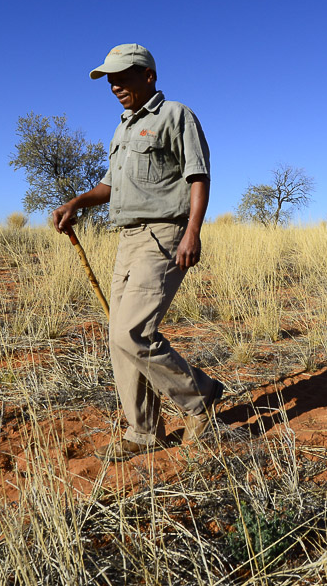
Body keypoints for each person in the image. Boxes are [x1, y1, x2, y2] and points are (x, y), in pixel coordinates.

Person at [53, 43, 224, 460]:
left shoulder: (175, 116)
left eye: (122, 76)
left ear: (148, 75)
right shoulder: (123, 127)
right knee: (118, 337)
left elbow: (198, 176)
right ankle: (143, 430)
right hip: (126, 238)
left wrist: (193, 232)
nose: (114, 85)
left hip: (164, 235)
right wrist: (77, 202)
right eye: (110, 78)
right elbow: (110, 186)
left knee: (133, 331)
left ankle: (200, 398)